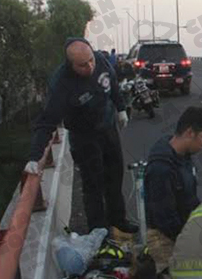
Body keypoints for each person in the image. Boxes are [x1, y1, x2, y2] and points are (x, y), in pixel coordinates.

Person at [26, 38, 136, 235]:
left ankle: (118, 221)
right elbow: (46, 122)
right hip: (84, 136)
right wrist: (35, 156)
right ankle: (98, 231)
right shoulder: (61, 84)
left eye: (91, 60)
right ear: (71, 65)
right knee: (93, 183)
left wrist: (120, 109)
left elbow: (113, 85)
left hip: (108, 127)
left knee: (115, 176)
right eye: (83, 65)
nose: (90, 67)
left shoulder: (101, 61)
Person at [144, 106, 202, 273]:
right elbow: (164, 216)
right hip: (165, 239)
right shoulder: (161, 168)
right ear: (190, 132)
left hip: (184, 229)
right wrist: (189, 240)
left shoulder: (184, 156)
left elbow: (189, 197)